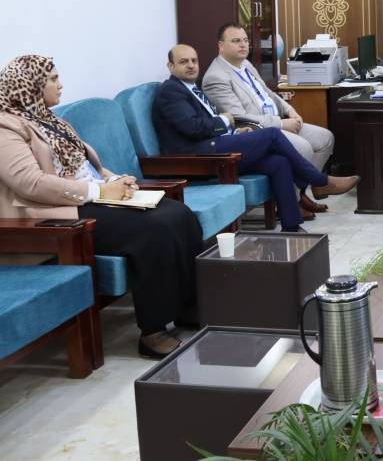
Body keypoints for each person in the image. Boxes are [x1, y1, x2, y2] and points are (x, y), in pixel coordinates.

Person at [0, 55, 201, 359]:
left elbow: (85, 166)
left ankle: (188, 309)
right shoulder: (7, 127)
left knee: (179, 214)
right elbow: (30, 183)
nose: (60, 84)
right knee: (153, 229)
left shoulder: (49, 119)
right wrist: (100, 190)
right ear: (29, 86)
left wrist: (115, 179)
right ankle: (152, 331)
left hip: (91, 197)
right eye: (52, 79)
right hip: (58, 213)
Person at [152, 45, 360, 233]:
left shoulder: (192, 88)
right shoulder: (171, 91)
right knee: (272, 135)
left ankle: (291, 227)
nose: (191, 65)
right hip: (196, 156)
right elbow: (192, 127)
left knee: (278, 162)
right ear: (171, 66)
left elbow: (203, 126)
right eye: (183, 62)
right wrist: (224, 121)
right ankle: (320, 181)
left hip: (213, 146)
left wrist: (235, 133)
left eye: (194, 61)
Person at [203, 23, 334, 217]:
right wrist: (281, 123)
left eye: (245, 40)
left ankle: (302, 193)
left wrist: (289, 110)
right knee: (304, 147)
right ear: (221, 46)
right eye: (236, 41)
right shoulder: (216, 77)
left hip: (277, 120)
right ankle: (291, 202)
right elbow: (238, 117)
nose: (243, 45)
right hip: (256, 131)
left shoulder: (246, 65)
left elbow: (268, 92)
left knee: (325, 138)